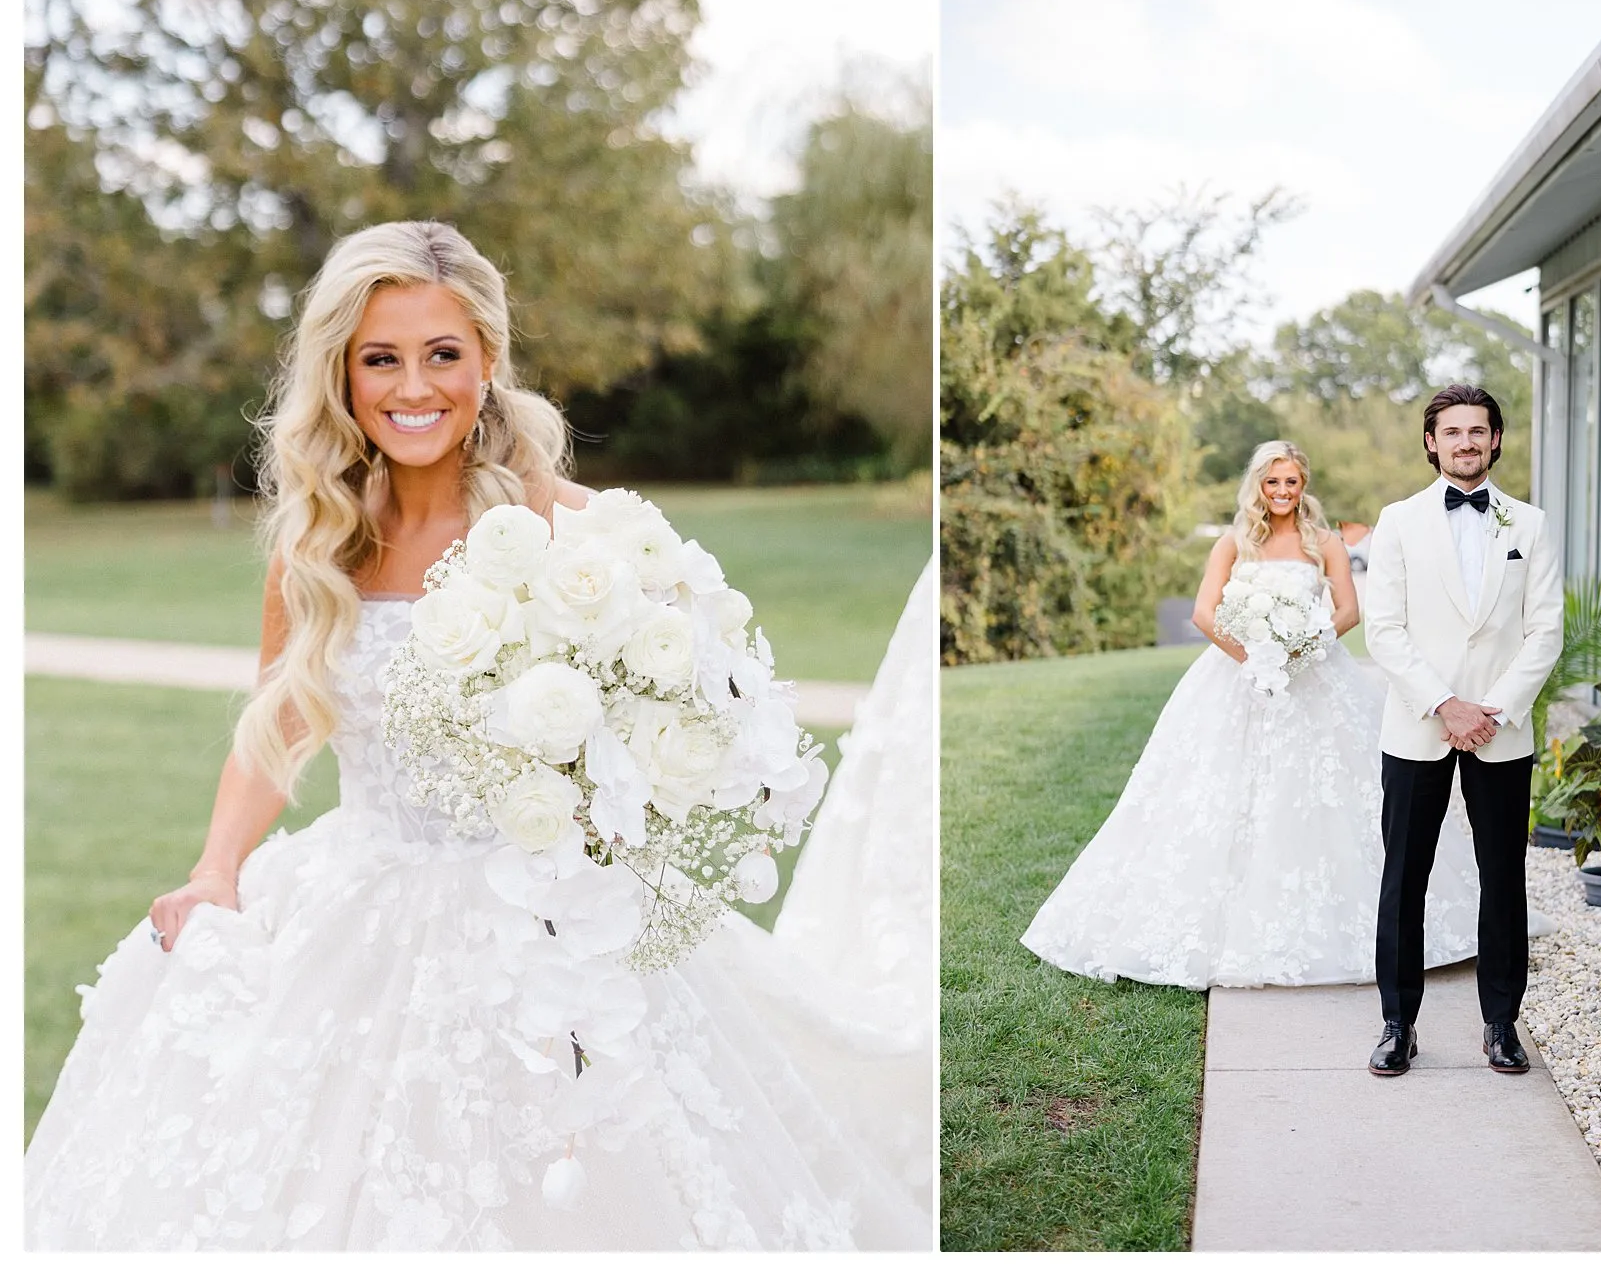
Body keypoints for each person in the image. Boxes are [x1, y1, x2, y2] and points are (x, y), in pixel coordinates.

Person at [24, 222, 930, 1250]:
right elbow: (278, 716)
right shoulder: (319, 540)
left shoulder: (574, 531)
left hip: (545, 924)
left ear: (486, 363)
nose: (414, 385)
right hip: (360, 909)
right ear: (344, 375)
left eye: (442, 353)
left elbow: (688, 690)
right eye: (381, 358)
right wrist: (215, 869)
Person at [1020, 439, 1489, 991]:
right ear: (1258, 485)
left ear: (1303, 484)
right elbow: (1203, 611)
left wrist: (1305, 645)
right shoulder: (1234, 541)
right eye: (1272, 482)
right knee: (1210, 794)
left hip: (1315, 676)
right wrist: (1256, 656)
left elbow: (1349, 611)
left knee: (1336, 793)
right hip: (1236, 678)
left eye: (1291, 481)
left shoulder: (1325, 542)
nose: (1283, 492)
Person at [1363, 385, 1563, 1078]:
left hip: (1500, 730)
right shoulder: (1395, 522)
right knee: (1403, 877)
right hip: (1419, 724)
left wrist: (1493, 708)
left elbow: (1544, 631)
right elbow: (1381, 628)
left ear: (1496, 439)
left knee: (1502, 876)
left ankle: (1501, 1024)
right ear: (1431, 442)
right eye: (1452, 431)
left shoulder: (1529, 524)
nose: (1465, 442)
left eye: (1477, 430)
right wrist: (1446, 704)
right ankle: (1397, 1023)